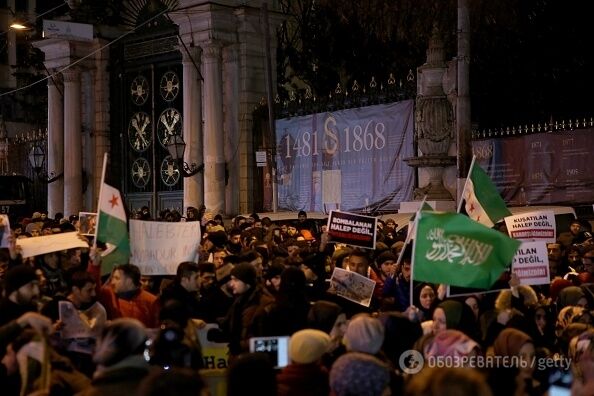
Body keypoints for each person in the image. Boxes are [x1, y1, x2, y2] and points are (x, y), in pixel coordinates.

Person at [93, 263, 160, 328]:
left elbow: (157, 328)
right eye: (112, 278)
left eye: (117, 278)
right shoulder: (109, 294)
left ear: (129, 281)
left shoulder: (151, 301)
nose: (112, 282)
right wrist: (95, 266)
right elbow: (93, 289)